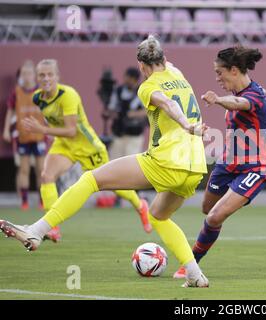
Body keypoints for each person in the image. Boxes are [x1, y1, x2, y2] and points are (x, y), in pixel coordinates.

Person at [0, 35, 210, 288]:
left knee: (90, 179)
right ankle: (195, 274)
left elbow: (165, 103)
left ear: (141, 66)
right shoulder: (178, 74)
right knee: (158, 215)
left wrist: (186, 124)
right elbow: (169, 73)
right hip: (196, 165)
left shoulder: (147, 86)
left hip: (166, 160)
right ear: (164, 59)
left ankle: (37, 230)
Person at [17, 59, 151, 242]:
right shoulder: (37, 97)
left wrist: (42, 130)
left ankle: (140, 205)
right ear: (38, 78)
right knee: (47, 176)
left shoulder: (68, 95)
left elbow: (71, 130)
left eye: (50, 74)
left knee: (113, 185)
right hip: (64, 144)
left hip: (88, 146)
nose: (46, 78)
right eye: (42, 75)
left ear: (57, 76)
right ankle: (52, 228)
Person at [172, 46, 266, 279]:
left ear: (234, 70)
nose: (217, 78)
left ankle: (191, 265)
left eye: (220, 73)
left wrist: (217, 100)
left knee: (214, 216)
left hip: (255, 167)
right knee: (207, 209)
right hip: (227, 164)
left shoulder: (255, 94)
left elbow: (239, 104)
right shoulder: (240, 94)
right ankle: (225, 209)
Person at [2, 60, 46, 211]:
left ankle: (42, 201)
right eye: (24, 74)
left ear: (34, 75)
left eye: (29, 73)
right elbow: (10, 111)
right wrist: (6, 129)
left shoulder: (41, 92)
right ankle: (25, 201)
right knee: (24, 169)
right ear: (20, 76)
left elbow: (50, 111)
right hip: (22, 136)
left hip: (39, 136)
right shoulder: (17, 92)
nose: (27, 76)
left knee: (41, 170)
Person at [106, 67, 147, 160]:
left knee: (131, 160)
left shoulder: (141, 92)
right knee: (114, 159)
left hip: (134, 134)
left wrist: (133, 114)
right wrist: (115, 114)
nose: (126, 80)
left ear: (134, 79)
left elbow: (147, 111)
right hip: (119, 133)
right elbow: (111, 108)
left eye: (129, 78)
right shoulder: (118, 91)